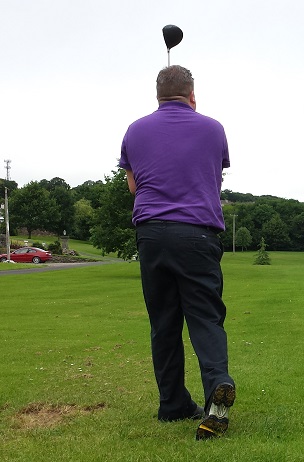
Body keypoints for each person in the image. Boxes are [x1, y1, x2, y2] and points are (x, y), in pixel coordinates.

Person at [119, 65, 235, 440]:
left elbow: (134, 187)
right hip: (198, 235)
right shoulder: (212, 128)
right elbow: (211, 178)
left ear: (157, 95)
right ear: (192, 94)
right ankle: (217, 389)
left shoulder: (134, 130)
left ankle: (172, 404)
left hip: (151, 236)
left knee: (164, 324)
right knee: (204, 318)